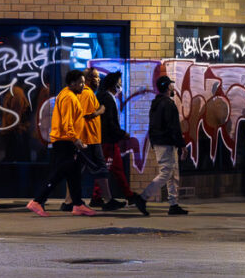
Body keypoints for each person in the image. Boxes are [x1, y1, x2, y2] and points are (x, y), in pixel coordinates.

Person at [26, 69, 97, 217]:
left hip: (66, 140)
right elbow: (67, 122)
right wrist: (75, 139)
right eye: (80, 83)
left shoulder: (67, 94)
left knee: (74, 173)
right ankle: (37, 201)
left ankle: (78, 204)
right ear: (72, 83)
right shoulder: (69, 98)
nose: (83, 86)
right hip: (65, 141)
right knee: (59, 173)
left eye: (83, 83)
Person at [92, 71, 148, 215]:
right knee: (108, 168)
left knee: (115, 169)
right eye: (119, 83)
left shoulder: (107, 97)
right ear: (113, 84)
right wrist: (121, 134)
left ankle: (117, 196)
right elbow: (109, 122)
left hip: (109, 141)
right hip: (107, 141)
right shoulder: (107, 98)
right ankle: (102, 196)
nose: (121, 86)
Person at [63, 66, 116, 212]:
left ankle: (68, 201)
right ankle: (108, 200)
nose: (98, 80)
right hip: (90, 138)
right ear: (86, 80)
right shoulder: (86, 94)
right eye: (95, 77)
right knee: (100, 169)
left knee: (76, 170)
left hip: (86, 138)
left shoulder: (82, 93)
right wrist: (101, 110)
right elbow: (87, 114)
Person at [142, 75, 188, 215]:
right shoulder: (168, 104)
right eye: (171, 85)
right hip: (166, 143)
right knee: (166, 173)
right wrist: (182, 146)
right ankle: (142, 197)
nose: (173, 87)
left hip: (161, 142)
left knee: (172, 173)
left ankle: (173, 204)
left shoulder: (156, 103)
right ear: (167, 87)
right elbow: (173, 127)